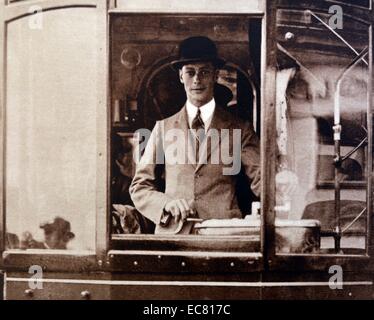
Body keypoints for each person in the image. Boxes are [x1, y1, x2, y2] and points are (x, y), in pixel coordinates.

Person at [129, 36, 261, 234]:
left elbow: (261, 179)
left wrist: (283, 187)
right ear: (181, 77)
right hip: (174, 238)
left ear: (215, 75)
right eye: (190, 72)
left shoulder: (240, 129)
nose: (197, 80)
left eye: (204, 72)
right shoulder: (163, 128)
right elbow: (140, 187)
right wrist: (166, 204)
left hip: (223, 237)